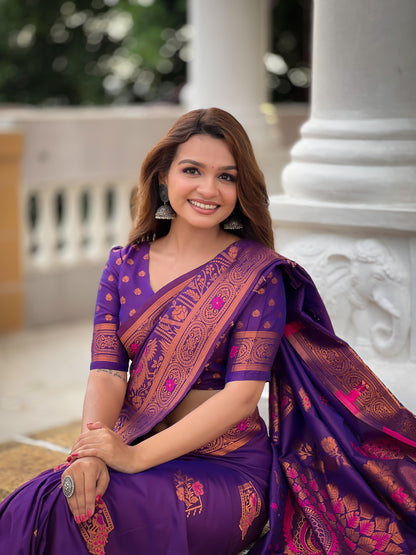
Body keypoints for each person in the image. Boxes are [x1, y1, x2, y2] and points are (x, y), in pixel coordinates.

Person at [1, 108, 415, 555]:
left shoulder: (258, 274)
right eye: (192, 170)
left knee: (86, 514)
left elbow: (240, 397)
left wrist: (132, 458)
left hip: (228, 469)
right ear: (163, 177)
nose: (208, 189)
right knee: (36, 505)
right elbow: (106, 372)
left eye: (226, 177)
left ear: (241, 189)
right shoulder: (124, 265)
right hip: (131, 441)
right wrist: (91, 452)